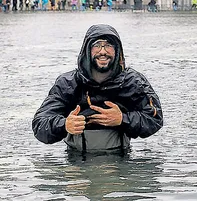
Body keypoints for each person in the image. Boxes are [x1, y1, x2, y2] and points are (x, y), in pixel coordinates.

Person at [32, 24, 163, 153]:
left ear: (117, 50)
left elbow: (155, 119)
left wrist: (122, 119)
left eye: (108, 45)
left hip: (120, 160)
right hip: (76, 162)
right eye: (97, 45)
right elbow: (39, 124)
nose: (103, 51)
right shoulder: (68, 83)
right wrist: (64, 124)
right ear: (87, 50)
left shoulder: (134, 82)